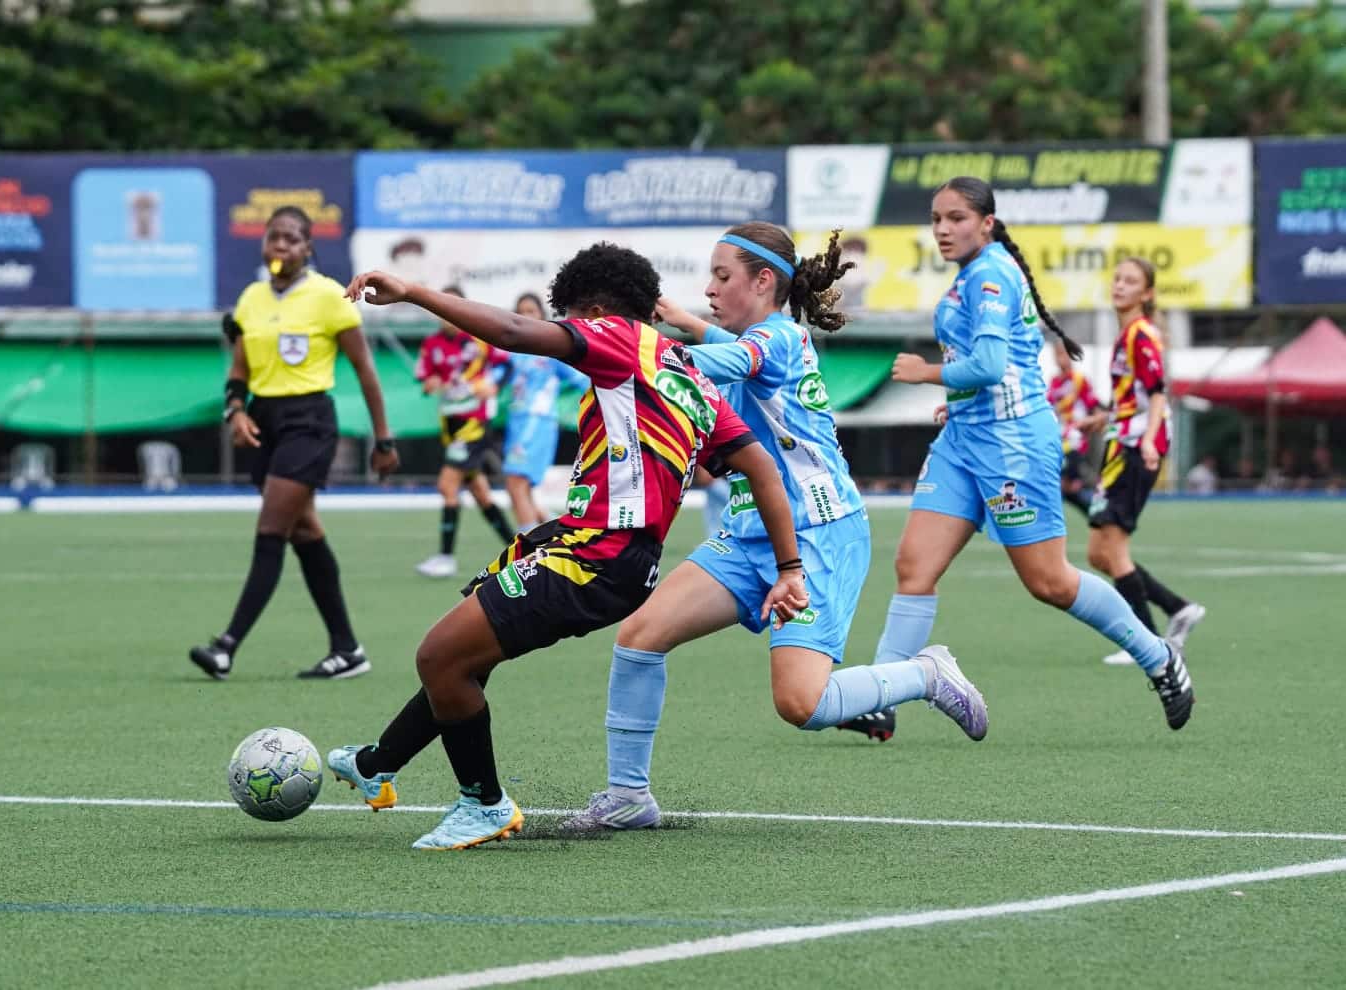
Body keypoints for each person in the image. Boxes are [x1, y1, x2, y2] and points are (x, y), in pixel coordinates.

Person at [327, 243, 809, 850]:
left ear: (599, 310)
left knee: (439, 657)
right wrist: (788, 567)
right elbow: (762, 468)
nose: (571, 331)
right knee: (463, 654)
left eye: (573, 318)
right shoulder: (684, 371)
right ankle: (378, 764)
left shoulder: (618, 339)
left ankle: (484, 805)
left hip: (597, 557)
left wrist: (416, 293)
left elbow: (509, 330)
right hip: (602, 554)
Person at [560, 223, 988, 833]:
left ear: (764, 281)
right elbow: (729, 350)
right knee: (640, 635)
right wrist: (681, 320)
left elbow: (732, 357)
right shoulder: (760, 337)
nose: (710, 288)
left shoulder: (779, 337)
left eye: (722, 276)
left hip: (818, 535)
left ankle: (924, 673)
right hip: (750, 532)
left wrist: (633, 344)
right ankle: (628, 795)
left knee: (802, 705)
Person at [837, 178, 1194, 741]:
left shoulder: (993, 274)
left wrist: (925, 373)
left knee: (1049, 581)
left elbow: (987, 364)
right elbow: (981, 371)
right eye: (936, 219)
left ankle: (1159, 658)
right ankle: (883, 696)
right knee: (914, 566)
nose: (942, 229)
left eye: (955, 218)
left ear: (986, 222)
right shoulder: (972, 274)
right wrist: (954, 403)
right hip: (963, 441)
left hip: (1012, 446)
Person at [189, 206, 399, 681]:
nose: (281, 245)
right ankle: (347, 650)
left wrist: (383, 438)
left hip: (309, 423)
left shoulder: (328, 296)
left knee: (271, 530)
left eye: (292, 238)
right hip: (264, 424)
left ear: (308, 249)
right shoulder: (250, 299)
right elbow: (239, 371)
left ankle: (226, 646)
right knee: (305, 533)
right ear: (264, 245)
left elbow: (366, 372)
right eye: (274, 237)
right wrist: (235, 411)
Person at [1085, 257, 1206, 666]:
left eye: (1130, 281)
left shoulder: (1141, 334)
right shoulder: (1127, 335)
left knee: (1114, 551)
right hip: (1121, 443)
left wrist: (1152, 441)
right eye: (1117, 278)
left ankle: (1148, 645)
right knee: (1099, 553)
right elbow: (1134, 396)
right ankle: (1178, 608)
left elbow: (1157, 394)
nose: (1119, 286)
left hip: (1136, 448)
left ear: (1147, 293)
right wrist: (1103, 418)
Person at [411, 286, 515, 578]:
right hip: (450, 423)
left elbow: (506, 366)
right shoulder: (431, 344)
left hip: (473, 424)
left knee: (447, 486)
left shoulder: (478, 341)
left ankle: (445, 557)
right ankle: (519, 551)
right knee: (481, 493)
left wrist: (495, 384)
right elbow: (425, 377)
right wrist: (430, 383)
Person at [501, 292, 590, 530]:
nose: (526, 316)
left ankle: (526, 552)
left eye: (531, 311)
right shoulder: (510, 352)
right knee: (524, 488)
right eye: (521, 312)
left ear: (542, 315)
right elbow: (496, 377)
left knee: (515, 481)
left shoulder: (550, 351)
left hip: (537, 422)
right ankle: (553, 533)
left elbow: (581, 379)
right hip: (516, 422)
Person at [1046, 339, 1104, 514]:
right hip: (1058, 439)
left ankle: (1098, 513)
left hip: (1075, 440)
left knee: (1067, 485)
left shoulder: (1079, 380)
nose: (1061, 359)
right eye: (1058, 355)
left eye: (1064, 354)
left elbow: (1094, 405)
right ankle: (1097, 513)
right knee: (1065, 488)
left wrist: (1098, 421)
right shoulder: (1054, 382)